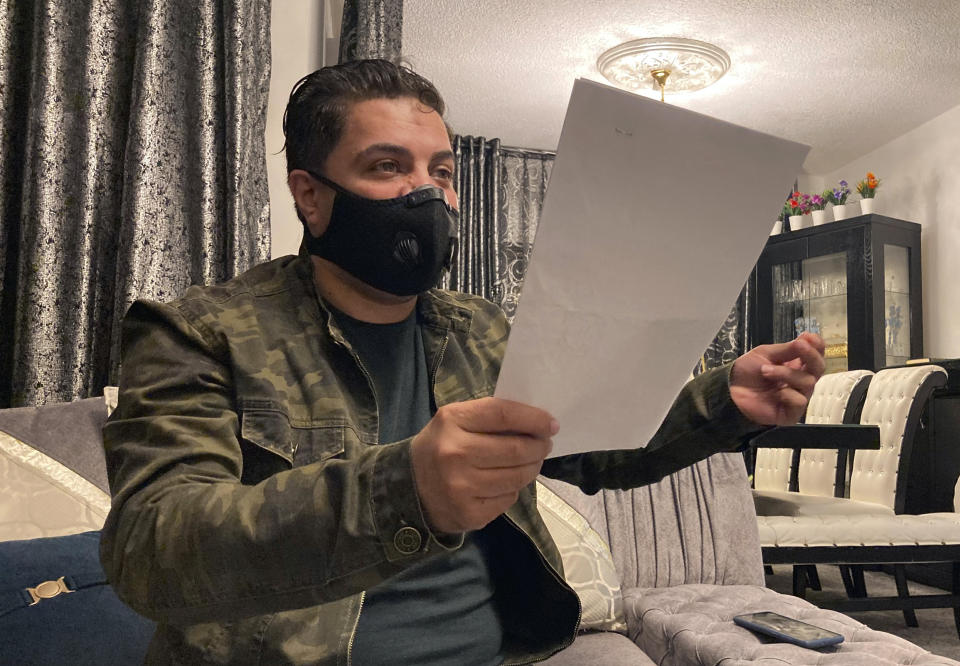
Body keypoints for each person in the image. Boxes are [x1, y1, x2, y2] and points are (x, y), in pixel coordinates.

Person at [100, 59, 825, 665]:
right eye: (387, 167)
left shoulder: (479, 330)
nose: (428, 194)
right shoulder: (197, 332)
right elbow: (152, 548)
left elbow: (594, 450)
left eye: (442, 172)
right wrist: (405, 489)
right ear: (310, 196)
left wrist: (726, 397)